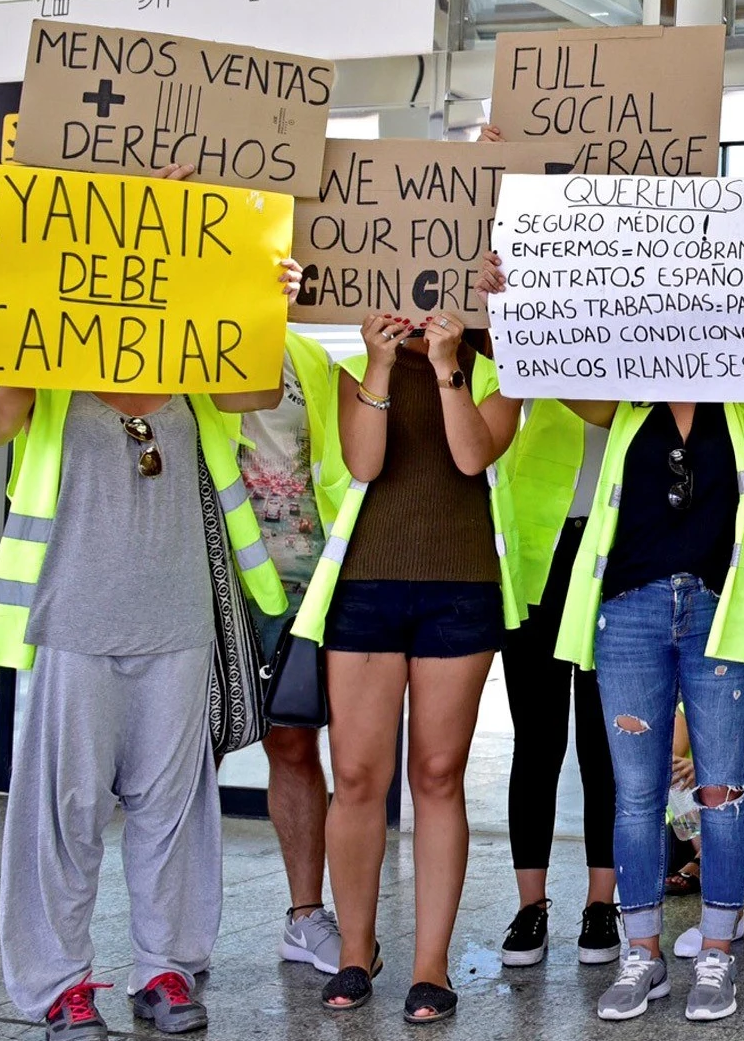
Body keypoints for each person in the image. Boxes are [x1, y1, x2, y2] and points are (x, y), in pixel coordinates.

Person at [0, 237, 300, 1041]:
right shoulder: (51, 354)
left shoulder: (196, 355)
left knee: (173, 807)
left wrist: (265, 297)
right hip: (74, 619)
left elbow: (257, 387)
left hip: (179, 618)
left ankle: (165, 966)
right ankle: (61, 982)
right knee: (63, 812)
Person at [555, 263, 744, 1024]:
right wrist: (514, 298)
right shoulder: (623, 397)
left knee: (722, 789)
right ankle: (641, 954)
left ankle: (717, 950)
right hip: (631, 610)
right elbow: (545, 362)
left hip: (720, 612)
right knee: (637, 792)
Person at [292, 304, 526, 1025]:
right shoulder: (351, 368)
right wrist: (385, 363)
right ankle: (357, 950)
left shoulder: (502, 369)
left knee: (436, 773)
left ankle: (432, 962)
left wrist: (448, 362)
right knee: (358, 773)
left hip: (460, 589)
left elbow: (469, 454)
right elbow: (363, 462)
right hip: (363, 585)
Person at [494, 397, 621, 968]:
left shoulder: (641, 323)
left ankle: (601, 903)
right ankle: (530, 905)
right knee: (537, 741)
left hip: (611, 550)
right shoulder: (535, 312)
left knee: (604, 741)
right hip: (535, 551)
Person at [239, 329, 349, 975]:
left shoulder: (309, 356)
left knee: (293, 744)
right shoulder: (176, 340)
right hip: (204, 576)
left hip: (302, 582)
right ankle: (168, 935)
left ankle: (305, 915)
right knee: (172, 758)